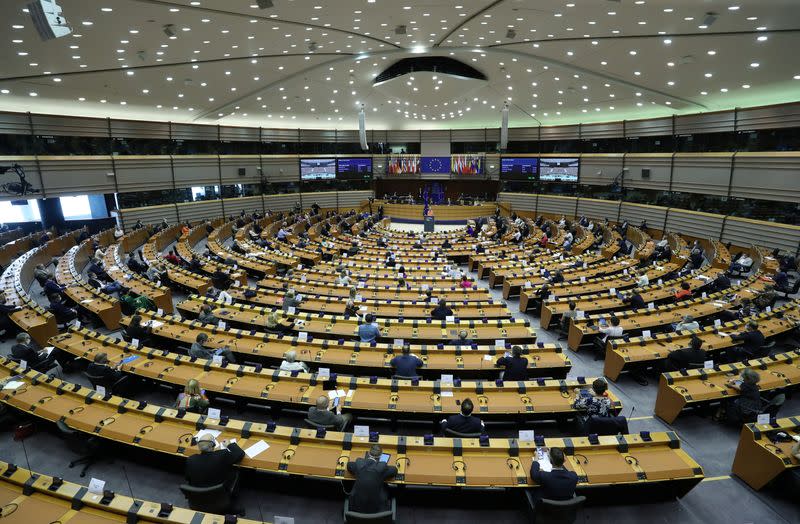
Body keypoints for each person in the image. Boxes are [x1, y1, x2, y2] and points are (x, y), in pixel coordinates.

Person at [185, 432, 245, 500]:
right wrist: (229, 444)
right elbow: (240, 454)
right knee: (236, 471)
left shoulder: (191, 459)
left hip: (198, 498)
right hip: (219, 497)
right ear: (213, 445)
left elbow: (187, 478)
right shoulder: (222, 455)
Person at [346, 444, 398, 514]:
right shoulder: (382, 466)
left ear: (368, 453)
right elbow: (394, 470)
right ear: (380, 456)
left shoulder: (359, 463)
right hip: (378, 512)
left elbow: (349, 465)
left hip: (355, 510)